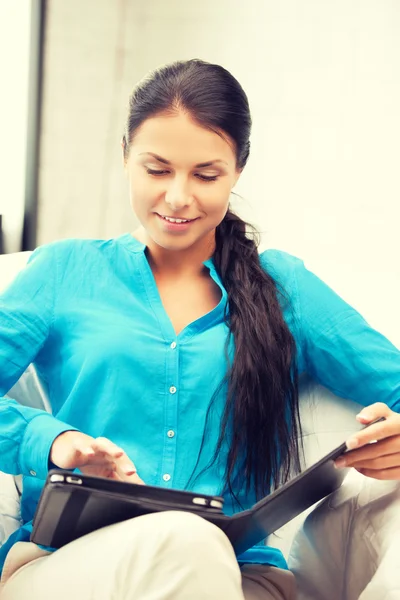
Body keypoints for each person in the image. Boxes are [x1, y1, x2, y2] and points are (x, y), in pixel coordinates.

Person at [0, 58, 399, 600]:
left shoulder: (287, 288)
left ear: (238, 171)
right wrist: (54, 441)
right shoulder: (63, 272)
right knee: (185, 542)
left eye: (206, 175)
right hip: (72, 568)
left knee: (194, 548)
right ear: (125, 158)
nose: (179, 197)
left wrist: (392, 434)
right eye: (157, 170)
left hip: (238, 575)